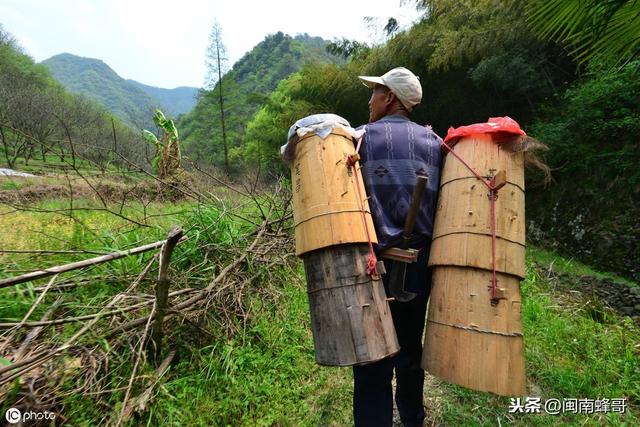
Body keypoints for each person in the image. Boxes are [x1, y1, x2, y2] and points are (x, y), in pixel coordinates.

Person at [353, 67, 442, 427]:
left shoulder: (358, 139)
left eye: (375, 91)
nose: (369, 99)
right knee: (409, 348)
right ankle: (412, 417)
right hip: (418, 266)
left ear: (390, 97)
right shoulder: (437, 144)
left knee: (372, 356)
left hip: (369, 264)